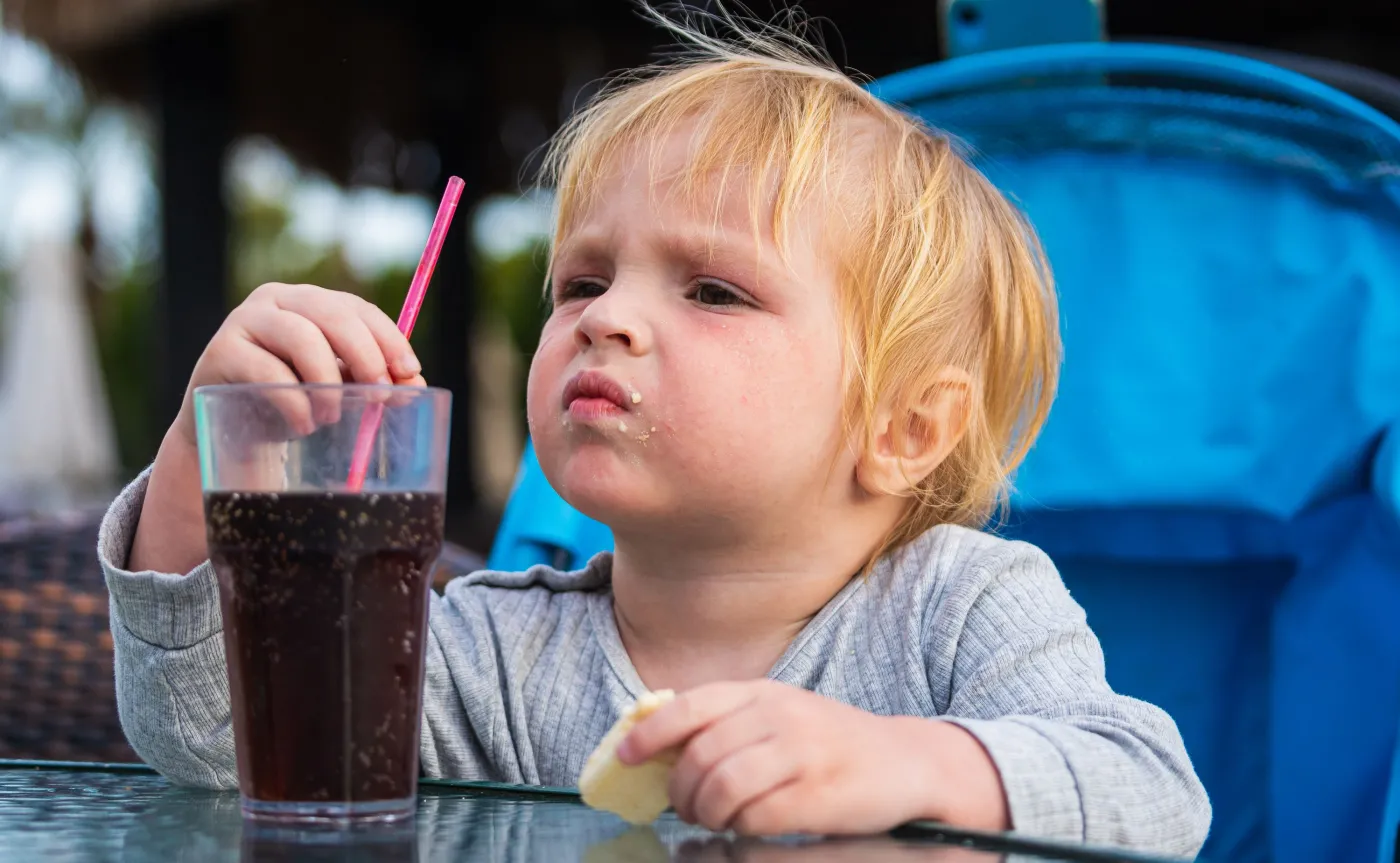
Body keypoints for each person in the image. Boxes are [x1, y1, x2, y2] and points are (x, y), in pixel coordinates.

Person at [98, 10, 1210, 856]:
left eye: (714, 291)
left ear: (905, 426)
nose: (606, 317)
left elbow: (1153, 793)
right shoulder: (494, 652)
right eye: (581, 278)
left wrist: (909, 761)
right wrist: (207, 464)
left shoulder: (959, 606)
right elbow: (214, 751)